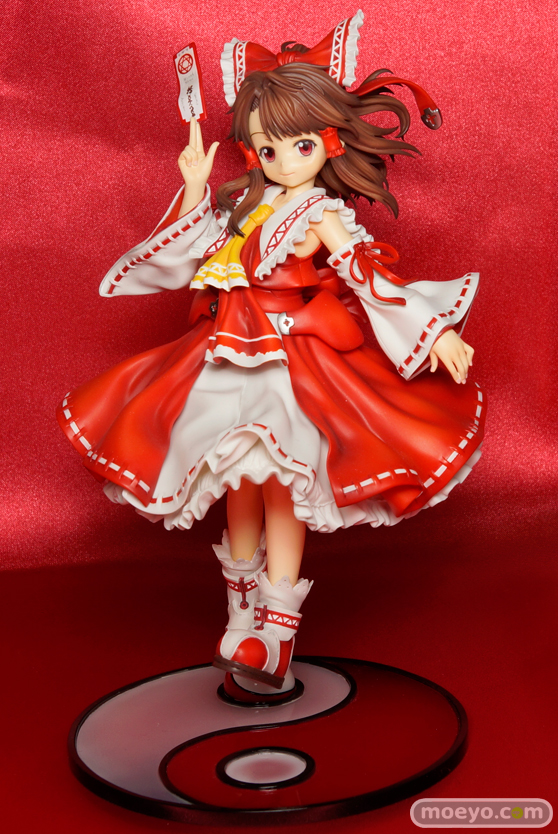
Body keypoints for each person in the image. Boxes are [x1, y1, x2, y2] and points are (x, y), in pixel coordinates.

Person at [57, 11, 484, 700]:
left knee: (284, 480)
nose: (284, 161)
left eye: (300, 145)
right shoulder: (247, 210)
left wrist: (435, 332)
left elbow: (366, 275)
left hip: (293, 360)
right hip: (226, 354)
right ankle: (241, 616)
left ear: (329, 142)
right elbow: (190, 257)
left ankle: (278, 629)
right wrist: (194, 185)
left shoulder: (320, 213)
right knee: (238, 482)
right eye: (267, 148)